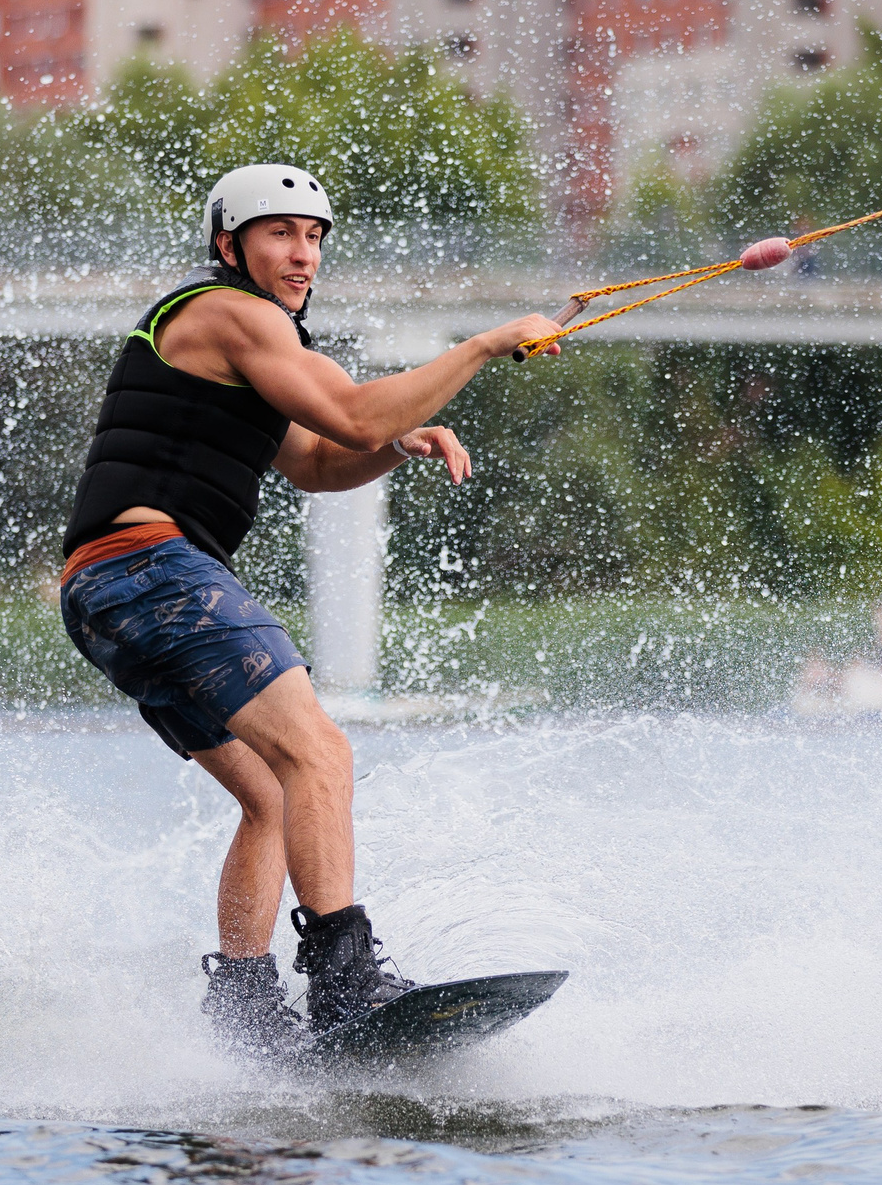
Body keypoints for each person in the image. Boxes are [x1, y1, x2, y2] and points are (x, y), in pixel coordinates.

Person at [56, 164, 565, 1057]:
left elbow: (320, 459)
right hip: (150, 569)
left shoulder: (251, 348)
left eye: (317, 237)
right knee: (320, 751)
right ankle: (346, 979)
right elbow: (351, 413)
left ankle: (247, 1014)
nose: (303, 254)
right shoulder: (228, 313)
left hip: (105, 597)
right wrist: (481, 345)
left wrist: (394, 449)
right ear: (230, 245)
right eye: (282, 233)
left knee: (268, 796)